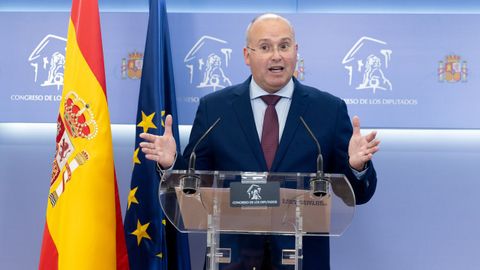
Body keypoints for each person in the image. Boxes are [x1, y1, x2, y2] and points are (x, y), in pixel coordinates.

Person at [140, 13, 379, 270]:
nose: (276, 55)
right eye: (265, 47)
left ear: (295, 51)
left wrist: (356, 167)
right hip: (232, 259)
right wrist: (172, 165)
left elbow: (358, 194)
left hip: (303, 260)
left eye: (284, 46)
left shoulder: (328, 110)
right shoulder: (215, 109)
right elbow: (194, 185)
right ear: (247, 55)